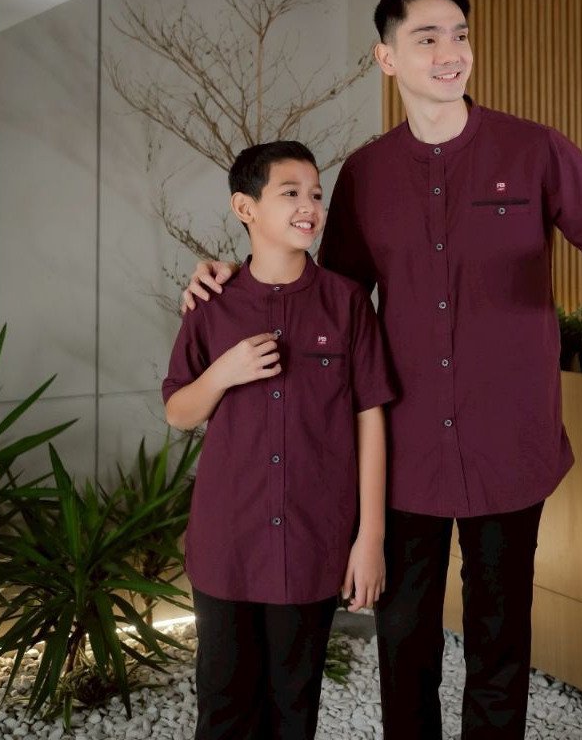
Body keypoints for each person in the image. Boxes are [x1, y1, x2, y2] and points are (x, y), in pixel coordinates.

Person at [182, 0, 582, 739]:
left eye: (460, 35)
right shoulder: (365, 174)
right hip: (406, 455)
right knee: (405, 645)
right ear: (387, 58)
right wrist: (227, 278)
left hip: (511, 445)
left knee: (501, 643)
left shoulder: (533, 149)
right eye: (427, 38)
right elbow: (326, 301)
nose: (450, 52)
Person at [163, 140, 393, 740]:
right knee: (224, 711)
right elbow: (178, 412)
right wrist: (223, 373)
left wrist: (369, 538)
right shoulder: (211, 304)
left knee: (295, 709)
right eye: (290, 193)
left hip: (312, 541)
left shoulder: (347, 302)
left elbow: (371, 418)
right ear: (246, 207)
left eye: (315, 194)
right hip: (227, 544)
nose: (308, 206)